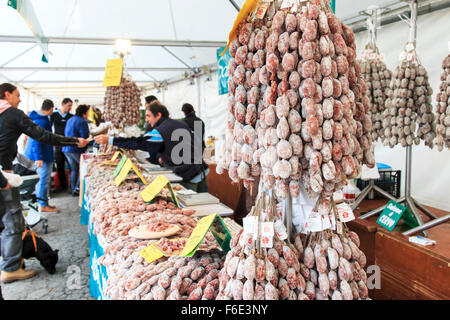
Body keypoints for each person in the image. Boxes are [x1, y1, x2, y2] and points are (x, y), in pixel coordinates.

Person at [0, 83, 89, 283]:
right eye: (17, 95)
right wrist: (74, 141)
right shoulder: (13, 114)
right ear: (7, 94)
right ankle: (10, 268)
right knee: (13, 222)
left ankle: (11, 260)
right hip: (4, 177)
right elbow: (42, 136)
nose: (20, 99)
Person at [95, 102, 209, 192]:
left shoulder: (160, 130)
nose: (147, 120)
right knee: (204, 205)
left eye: (148, 116)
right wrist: (161, 154)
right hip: (200, 170)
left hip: (187, 174)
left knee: (192, 211)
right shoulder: (178, 123)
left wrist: (111, 140)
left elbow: (139, 143)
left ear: (158, 115)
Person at [23, 99, 60, 213]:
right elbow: (36, 140)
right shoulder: (42, 121)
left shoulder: (40, 119)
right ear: (51, 109)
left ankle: (44, 203)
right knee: (43, 180)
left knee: (43, 180)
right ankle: (43, 205)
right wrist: (38, 157)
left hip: (41, 154)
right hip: (40, 156)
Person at [62, 104, 90, 197]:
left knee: (74, 169)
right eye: (87, 112)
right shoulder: (82, 121)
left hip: (67, 148)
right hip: (76, 149)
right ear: (84, 113)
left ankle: (73, 188)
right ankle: (78, 188)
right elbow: (84, 136)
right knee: (83, 168)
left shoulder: (70, 119)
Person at [50, 98, 73, 193]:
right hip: (57, 145)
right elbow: (49, 129)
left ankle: (72, 185)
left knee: (71, 166)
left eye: (71, 106)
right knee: (60, 165)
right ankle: (62, 186)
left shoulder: (71, 116)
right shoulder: (54, 115)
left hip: (68, 144)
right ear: (63, 104)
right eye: (69, 105)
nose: (70, 108)